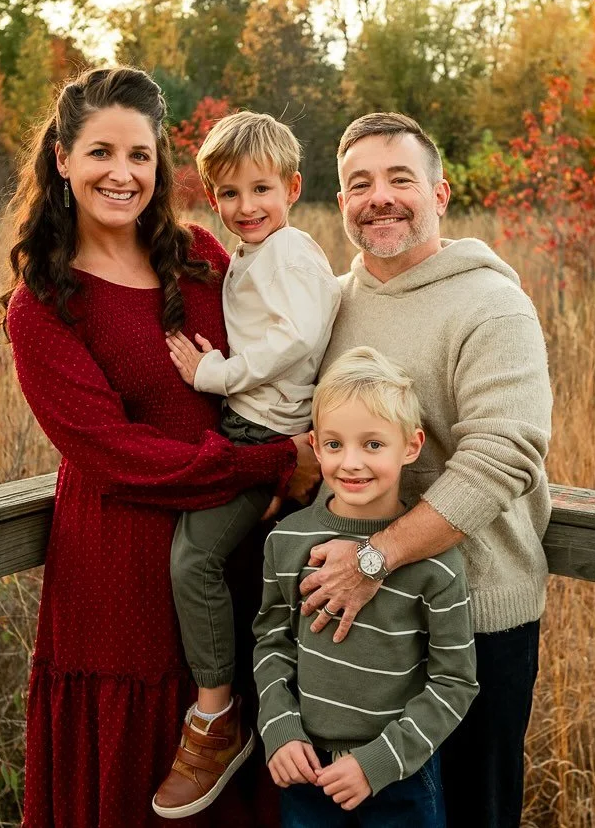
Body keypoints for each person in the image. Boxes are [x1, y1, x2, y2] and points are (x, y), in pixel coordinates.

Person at [0, 67, 319, 827]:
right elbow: (116, 453)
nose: (122, 173)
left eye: (139, 155)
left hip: (234, 544)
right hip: (122, 572)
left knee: (243, 759)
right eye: (101, 153)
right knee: (136, 792)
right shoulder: (43, 304)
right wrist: (273, 463)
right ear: (62, 161)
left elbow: (294, 341)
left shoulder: (203, 253)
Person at [299, 113, 553, 828]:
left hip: (475, 622)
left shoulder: (490, 304)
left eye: (400, 179)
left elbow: (503, 452)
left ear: (439, 194)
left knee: (474, 810)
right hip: (357, 622)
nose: (380, 197)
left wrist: (375, 558)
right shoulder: (334, 304)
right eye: (359, 184)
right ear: (340, 201)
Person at [153, 111, 341, 819]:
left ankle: (217, 713)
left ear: (292, 186)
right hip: (252, 427)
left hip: (262, 427)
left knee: (192, 561)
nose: (245, 207)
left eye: (261, 189)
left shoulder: (289, 252)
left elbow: (295, 342)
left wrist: (215, 373)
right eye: (228, 193)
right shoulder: (257, 255)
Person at [253, 346, 478, 828]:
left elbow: (454, 681)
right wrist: (280, 729)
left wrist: (377, 763)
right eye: (334, 445)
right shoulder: (287, 540)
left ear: (411, 446)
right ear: (314, 446)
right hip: (305, 769)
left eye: (373, 444)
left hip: (400, 777)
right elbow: (272, 644)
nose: (351, 463)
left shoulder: (436, 563)